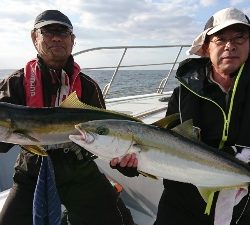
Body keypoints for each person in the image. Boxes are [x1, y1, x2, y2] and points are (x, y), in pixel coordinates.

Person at [111, 7, 250, 225]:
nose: (230, 46)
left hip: (242, 204)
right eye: (220, 39)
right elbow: (163, 145)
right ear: (205, 48)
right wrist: (129, 165)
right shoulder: (183, 93)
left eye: (239, 38)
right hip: (181, 203)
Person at [0, 10, 134, 225]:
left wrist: (125, 163)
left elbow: (107, 137)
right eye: (48, 31)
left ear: (72, 40)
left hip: (80, 169)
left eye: (63, 32)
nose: (56, 37)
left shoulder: (88, 86)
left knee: (119, 221)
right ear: (35, 37)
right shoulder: (15, 83)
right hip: (31, 170)